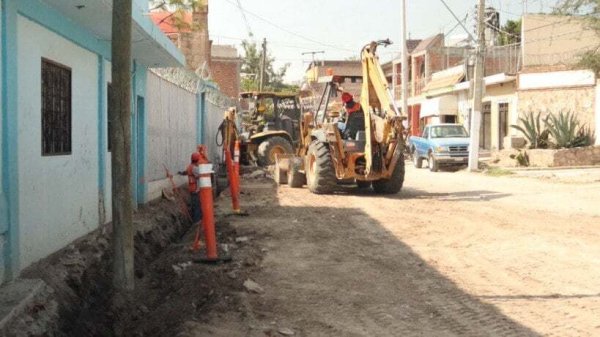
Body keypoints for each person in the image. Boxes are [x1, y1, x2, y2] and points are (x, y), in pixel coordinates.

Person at [186, 152, 202, 223]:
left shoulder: (190, 166)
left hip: (192, 188)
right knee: (197, 206)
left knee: (195, 205)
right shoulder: (194, 168)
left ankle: (195, 219)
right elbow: (202, 174)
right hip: (195, 189)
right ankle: (197, 221)